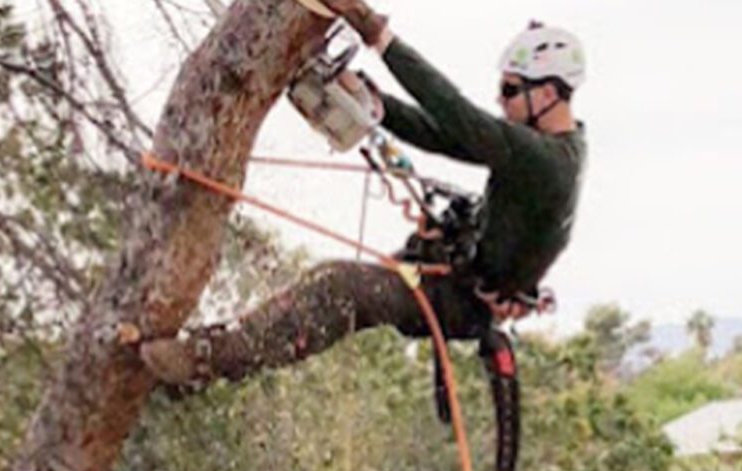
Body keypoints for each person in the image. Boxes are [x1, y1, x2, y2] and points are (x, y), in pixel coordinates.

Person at [139, 0, 587, 390]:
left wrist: (378, 35)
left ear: (548, 93)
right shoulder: (545, 149)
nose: (501, 99)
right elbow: (441, 134)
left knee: (342, 288)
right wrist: (377, 104)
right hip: (452, 270)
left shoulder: (546, 162)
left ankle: (206, 360)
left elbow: (461, 117)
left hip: (459, 299)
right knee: (332, 285)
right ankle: (206, 359)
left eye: (511, 90)